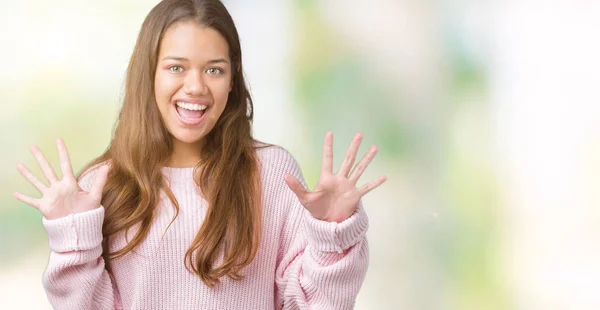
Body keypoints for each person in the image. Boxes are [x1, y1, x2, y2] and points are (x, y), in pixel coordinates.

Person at [13, 0, 387, 309]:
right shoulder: (102, 187)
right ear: (149, 74)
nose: (196, 87)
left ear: (233, 78)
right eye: (176, 67)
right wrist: (73, 241)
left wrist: (332, 235)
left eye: (214, 69)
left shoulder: (270, 174)